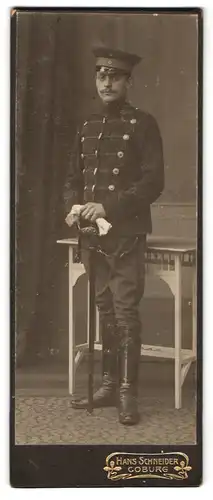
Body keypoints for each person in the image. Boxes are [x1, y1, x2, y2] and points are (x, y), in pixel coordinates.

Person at [64, 46, 164, 425]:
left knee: (124, 313)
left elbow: (153, 182)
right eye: (101, 76)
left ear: (128, 82)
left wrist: (108, 206)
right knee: (105, 310)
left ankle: (127, 392)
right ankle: (107, 384)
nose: (107, 82)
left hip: (125, 234)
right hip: (92, 236)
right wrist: (73, 207)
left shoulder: (143, 124)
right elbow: (73, 178)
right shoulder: (87, 126)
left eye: (115, 77)